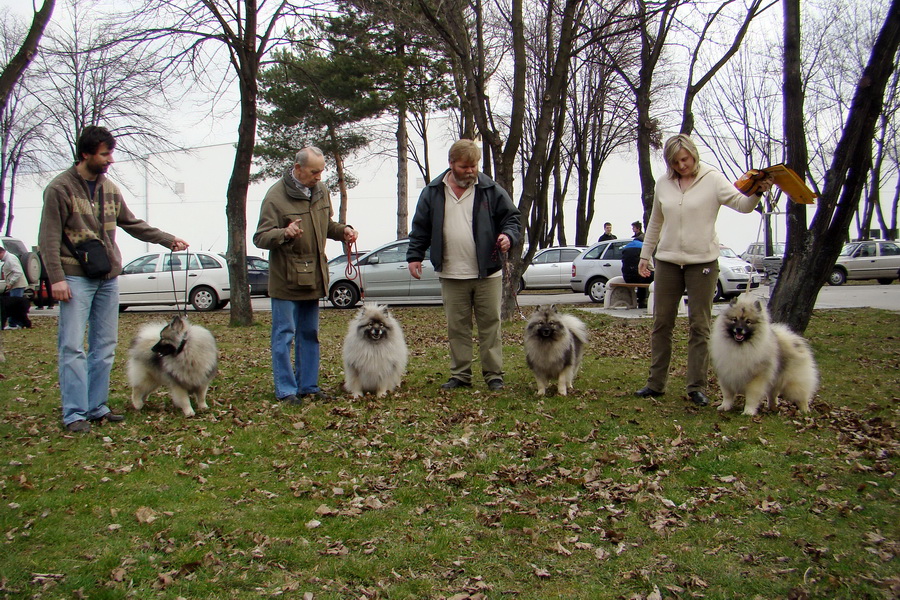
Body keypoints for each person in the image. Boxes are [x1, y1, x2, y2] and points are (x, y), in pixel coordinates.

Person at [38, 125, 189, 433]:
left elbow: (132, 223)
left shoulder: (110, 189)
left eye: (111, 154)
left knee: (104, 345)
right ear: (86, 154)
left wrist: (167, 239)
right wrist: (56, 278)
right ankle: (74, 414)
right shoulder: (60, 189)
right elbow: (48, 238)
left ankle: (96, 407)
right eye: (105, 154)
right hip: (74, 277)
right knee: (72, 347)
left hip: (107, 277)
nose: (110, 160)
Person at [634, 134, 773, 406]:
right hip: (668, 261)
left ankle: (695, 386)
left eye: (685, 159)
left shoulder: (713, 178)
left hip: (703, 263)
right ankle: (655, 384)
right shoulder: (663, 184)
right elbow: (655, 222)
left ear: (693, 155)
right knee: (662, 323)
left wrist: (757, 192)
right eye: (675, 162)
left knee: (700, 325)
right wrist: (645, 255)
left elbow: (742, 205)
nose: (682, 165)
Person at [406, 139, 521, 391]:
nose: (470, 170)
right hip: (450, 272)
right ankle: (460, 375)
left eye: (474, 165)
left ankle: (494, 376)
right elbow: (420, 227)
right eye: (465, 166)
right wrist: (414, 255)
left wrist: (508, 236)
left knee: (490, 325)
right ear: (451, 164)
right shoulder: (433, 191)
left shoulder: (490, 189)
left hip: (487, 272)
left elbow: (512, 218)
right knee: (457, 327)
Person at [253, 146, 358, 404]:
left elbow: (326, 225)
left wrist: (343, 230)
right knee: (284, 334)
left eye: (322, 171)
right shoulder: (275, 197)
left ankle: (308, 386)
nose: (319, 177)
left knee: (309, 333)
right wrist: (284, 234)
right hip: (286, 277)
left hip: (313, 275)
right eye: (314, 172)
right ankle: (286, 390)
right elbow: (260, 237)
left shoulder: (320, 191)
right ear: (297, 168)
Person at [0, 246, 28, 328]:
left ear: (1, 253)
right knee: (13, 306)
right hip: (15, 285)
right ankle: (17, 323)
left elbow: (18, 272)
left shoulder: (10, 259)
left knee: (14, 306)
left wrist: (11, 282)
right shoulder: (7, 259)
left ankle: (13, 324)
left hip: (17, 285)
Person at [621, 238, 652, 309]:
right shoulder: (643, 247)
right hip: (640, 278)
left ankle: (637, 301)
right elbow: (650, 265)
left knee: (641, 276)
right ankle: (642, 302)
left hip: (627, 278)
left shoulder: (626, 247)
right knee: (647, 276)